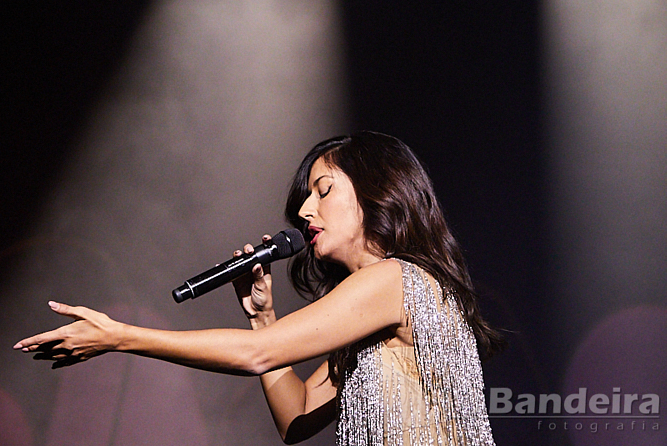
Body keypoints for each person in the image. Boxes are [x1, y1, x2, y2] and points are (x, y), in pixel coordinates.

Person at [14, 132, 501, 445]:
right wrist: (262, 316)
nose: (306, 211)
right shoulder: (376, 313)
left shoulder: (394, 280)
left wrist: (121, 337)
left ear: (378, 189)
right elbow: (298, 418)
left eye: (323, 190)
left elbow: (257, 355)